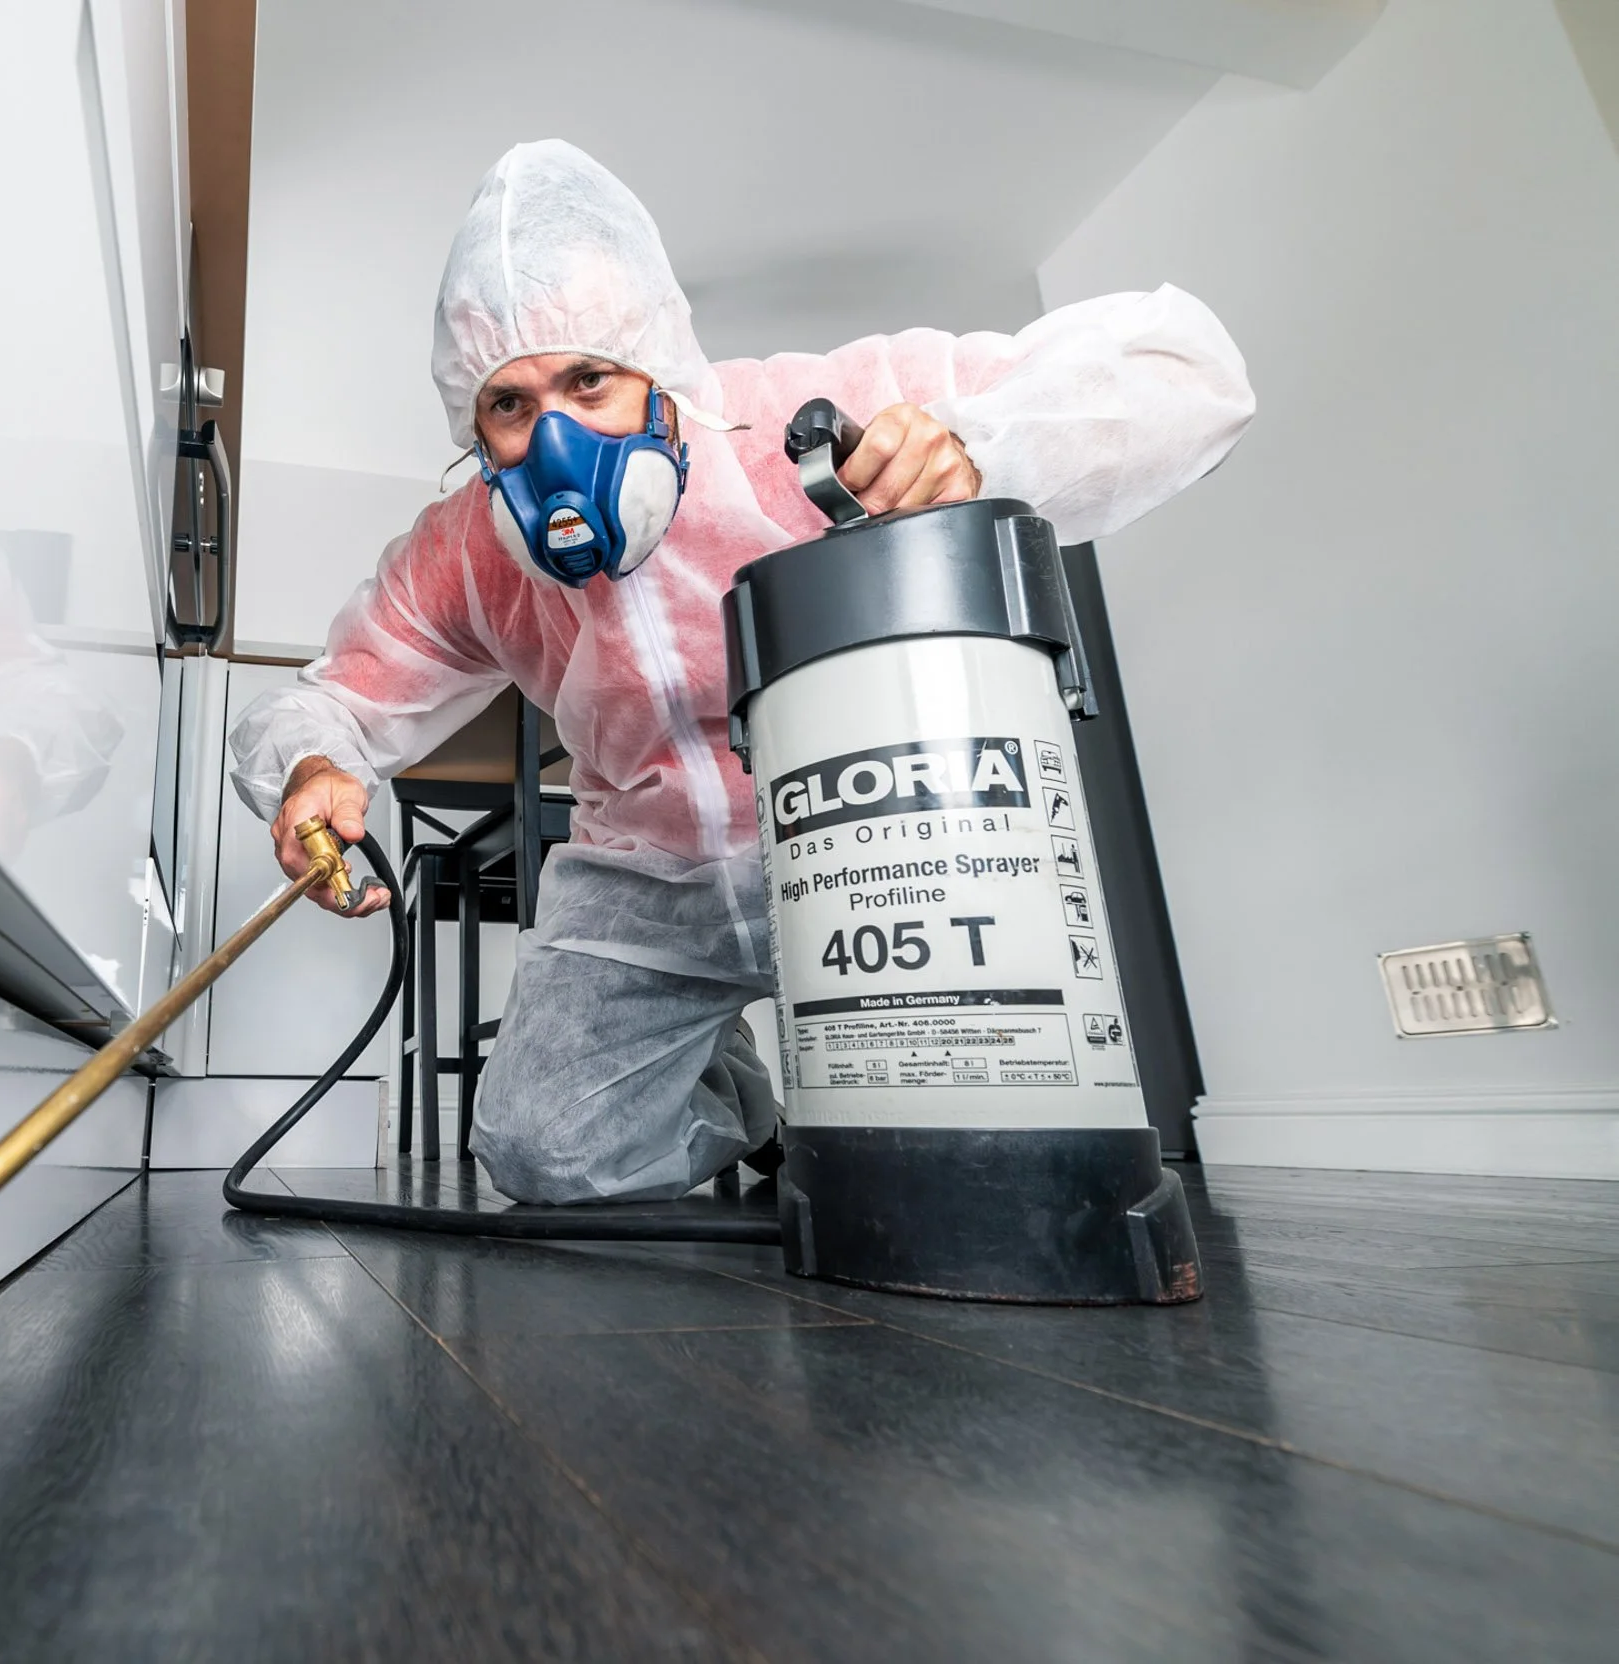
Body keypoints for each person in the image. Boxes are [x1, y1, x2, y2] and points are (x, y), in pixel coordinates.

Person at [228, 139, 1253, 1205]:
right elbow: (327, 697)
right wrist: (310, 769)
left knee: (963, 1166)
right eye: (511, 404)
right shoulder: (467, 551)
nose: (555, 442)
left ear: (659, 369)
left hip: (863, 838)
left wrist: (981, 448)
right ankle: (738, 1099)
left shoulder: (805, 414)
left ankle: (795, 1101)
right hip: (644, 884)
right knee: (545, 1154)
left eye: (590, 380)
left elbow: (1187, 374)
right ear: (473, 427)